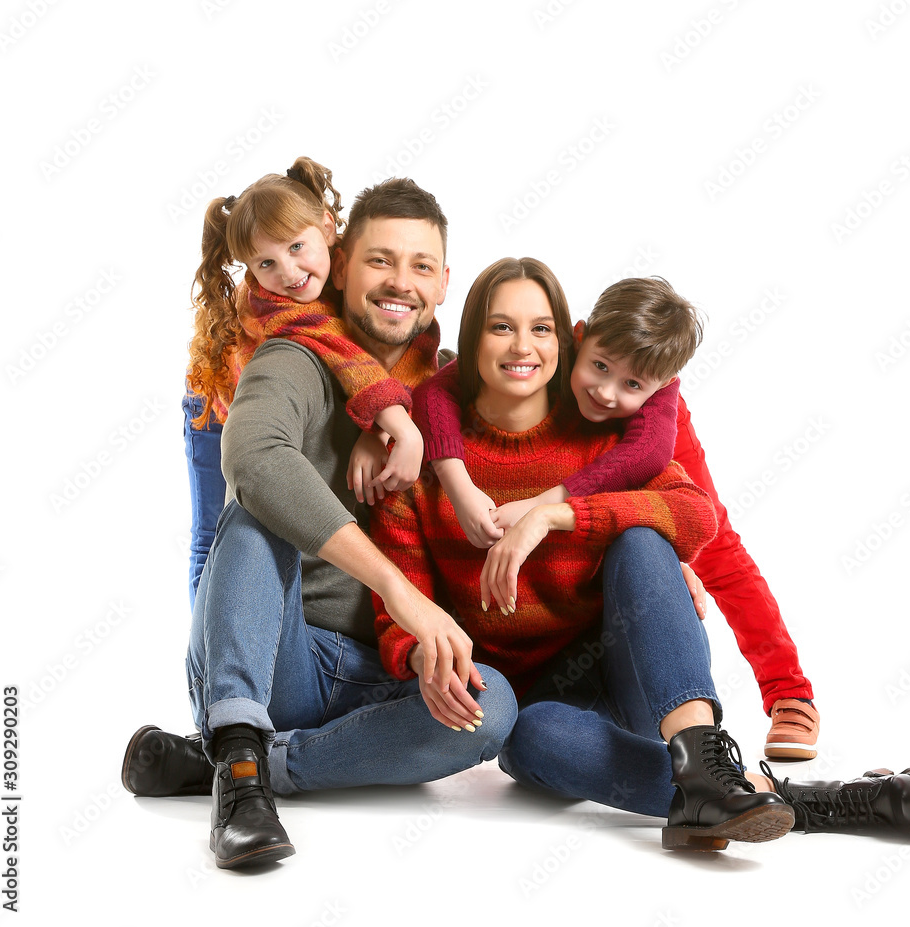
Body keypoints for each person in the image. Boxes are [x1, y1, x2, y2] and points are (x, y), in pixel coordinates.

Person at [370, 256, 910, 849]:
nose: (521, 346)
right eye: (500, 327)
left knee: (643, 540)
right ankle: (753, 797)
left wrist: (555, 513)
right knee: (533, 737)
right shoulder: (429, 441)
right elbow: (399, 593)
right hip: (533, 710)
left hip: (629, 676)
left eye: (538, 329)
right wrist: (422, 654)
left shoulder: (618, 427)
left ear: (561, 336)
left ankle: (705, 760)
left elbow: (698, 518)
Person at [122, 178, 518, 870]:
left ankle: (243, 758)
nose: (400, 282)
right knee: (256, 503)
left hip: (387, 674)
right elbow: (250, 458)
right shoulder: (294, 355)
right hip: (284, 657)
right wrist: (398, 589)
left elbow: (557, 457)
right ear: (343, 260)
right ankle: (240, 766)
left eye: (421, 265)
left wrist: (669, 551)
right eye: (380, 261)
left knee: (499, 707)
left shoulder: (445, 387)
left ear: (445, 280)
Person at [413, 274, 821, 760]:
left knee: (715, 549)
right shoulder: (547, 354)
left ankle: (788, 690)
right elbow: (442, 385)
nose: (606, 393)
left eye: (628, 383)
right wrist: (455, 479)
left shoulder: (654, 402)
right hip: (537, 648)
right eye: (599, 368)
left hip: (643, 450)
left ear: (663, 383)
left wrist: (552, 508)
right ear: (577, 337)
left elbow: (646, 461)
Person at [181, 156, 428, 608]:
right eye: (266, 263)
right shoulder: (278, 307)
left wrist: (378, 429)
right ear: (250, 271)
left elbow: (402, 345)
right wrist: (395, 424)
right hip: (219, 409)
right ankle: (208, 639)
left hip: (292, 415)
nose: (289, 274)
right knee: (214, 530)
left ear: (328, 228)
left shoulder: (350, 275)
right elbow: (346, 354)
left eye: (296, 248)